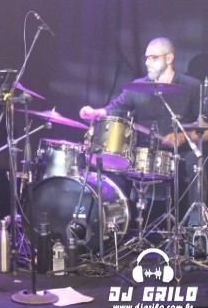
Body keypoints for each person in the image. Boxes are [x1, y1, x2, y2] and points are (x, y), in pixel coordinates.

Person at [79, 37, 203, 225]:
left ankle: (197, 226)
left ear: (169, 58)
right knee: (113, 158)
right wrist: (95, 112)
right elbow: (116, 107)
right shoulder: (137, 87)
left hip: (181, 152)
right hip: (145, 151)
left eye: (153, 58)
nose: (147, 63)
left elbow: (205, 126)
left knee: (196, 161)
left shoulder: (192, 86)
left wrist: (184, 137)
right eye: (146, 58)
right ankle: (117, 224)